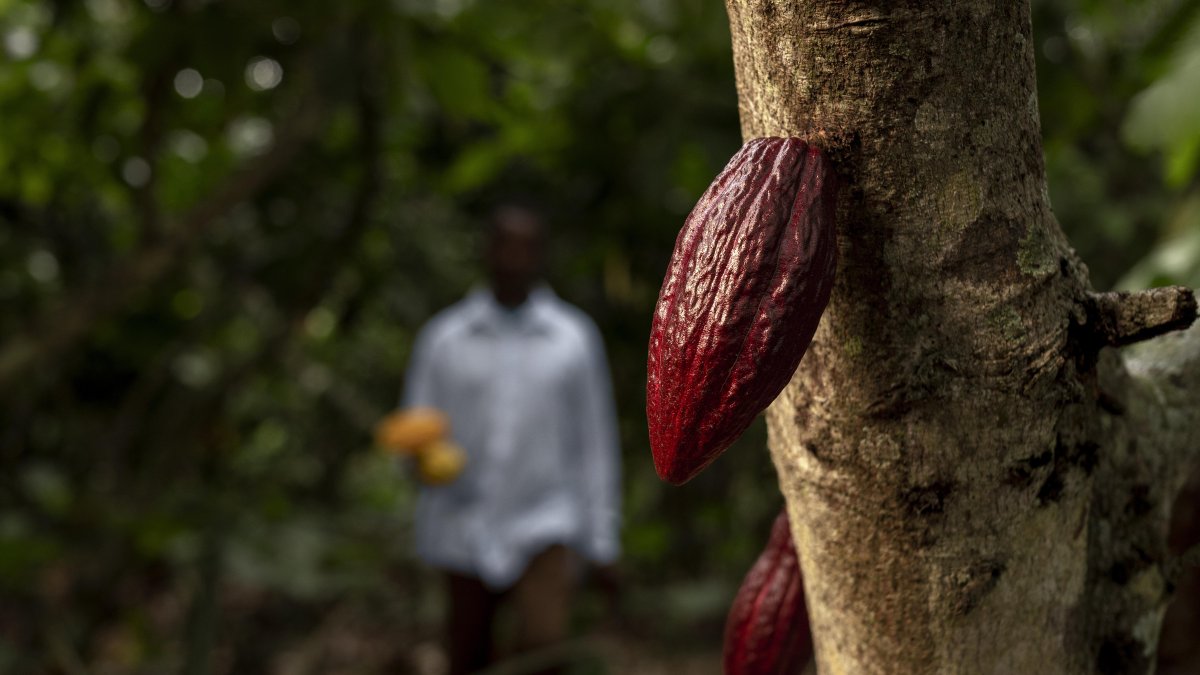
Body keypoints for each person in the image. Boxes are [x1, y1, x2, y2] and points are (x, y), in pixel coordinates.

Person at [402, 204, 621, 674]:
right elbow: (416, 429)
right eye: (506, 245)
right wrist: (420, 462)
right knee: (468, 654)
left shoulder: (572, 339)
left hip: (546, 524)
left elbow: (594, 442)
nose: (515, 258)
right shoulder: (444, 339)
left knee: (543, 655)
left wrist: (600, 538)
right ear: (486, 251)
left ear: (542, 255)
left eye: (527, 247)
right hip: (461, 527)